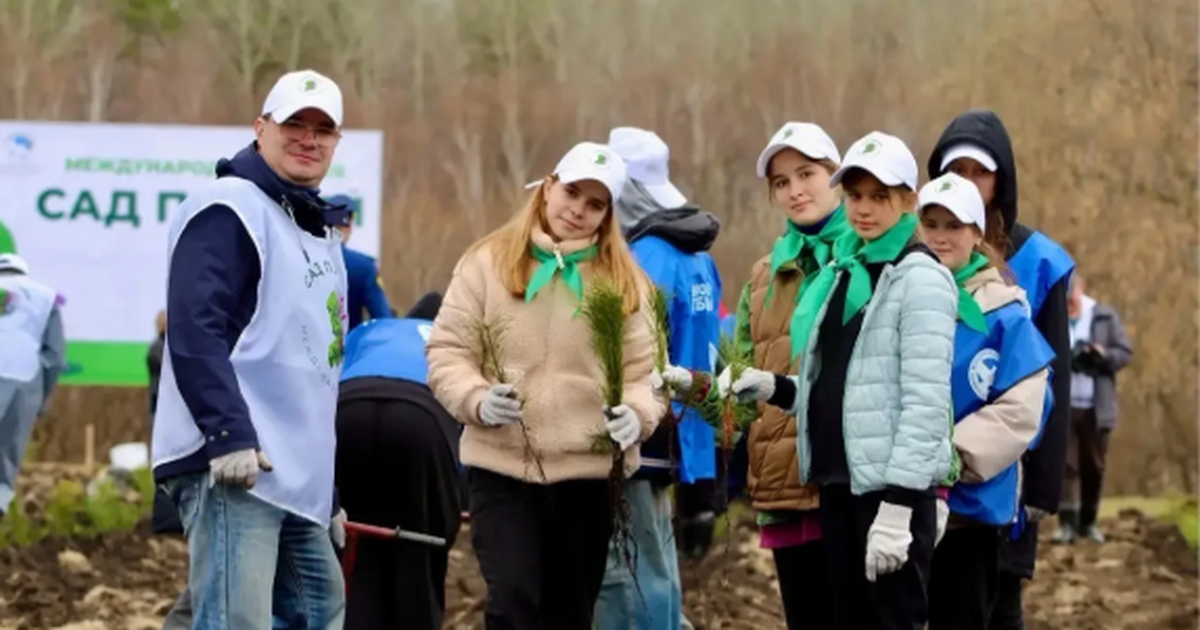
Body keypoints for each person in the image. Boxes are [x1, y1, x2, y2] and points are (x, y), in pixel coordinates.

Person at [425, 141, 663, 630]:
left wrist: (636, 416)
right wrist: (476, 399)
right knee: (512, 599)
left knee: (569, 612)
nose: (578, 210)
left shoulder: (627, 284)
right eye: (572, 193)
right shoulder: (486, 264)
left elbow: (648, 375)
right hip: (502, 469)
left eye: (595, 204)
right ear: (548, 186)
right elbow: (448, 353)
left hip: (588, 478)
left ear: (608, 215)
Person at [725, 131, 957, 629]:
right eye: (854, 196)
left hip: (886, 495)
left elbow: (925, 403)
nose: (863, 209)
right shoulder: (843, 271)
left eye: (880, 196)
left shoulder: (920, 277)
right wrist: (774, 388)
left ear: (909, 201)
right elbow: (840, 389)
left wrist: (898, 511)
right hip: (837, 486)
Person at [150, 69, 351, 629]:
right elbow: (195, 328)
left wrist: (325, 488)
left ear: (336, 142)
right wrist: (226, 434)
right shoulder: (230, 208)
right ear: (260, 129)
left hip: (294, 478)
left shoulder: (316, 232)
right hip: (234, 463)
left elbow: (312, 370)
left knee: (318, 610)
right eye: (294, 124)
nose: (308, 139)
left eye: (323, 130)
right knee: (235, 620)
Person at [668, 121, 851, 629]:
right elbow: (744, 389)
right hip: (785, 488)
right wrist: (697, 391)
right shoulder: (764, 275)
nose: (795, 190)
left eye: (807, 173)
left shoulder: (867, 259)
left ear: (835, 175)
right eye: (781, 182)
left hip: (852, 486)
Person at [926, 109, 1076, 630]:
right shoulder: (921, 257)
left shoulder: (1039, 260)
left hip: (1006, 467)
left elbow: (1052, 371)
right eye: (956, 170)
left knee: (1001, 601)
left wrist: (1042, 488)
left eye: (979, 172)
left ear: (1001, 180)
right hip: (929, 474)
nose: (968, 182)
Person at [592, 126, 721, 630]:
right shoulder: (698, 260)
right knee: (656, 569)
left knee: (625, 574)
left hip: (635, 433)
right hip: (678, 440)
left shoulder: (637, 262)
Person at [335, 291, 462, 630]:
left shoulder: (374, 328)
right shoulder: (457, 340)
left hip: (348, 411)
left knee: (354, 548)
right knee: (419, 552)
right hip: (422, 418)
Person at [1053, 272, 1133, 544]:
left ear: (1081, 291)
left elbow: (1124, 353)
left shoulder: (1104, 317)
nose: (1069, 307)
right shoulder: (1053, 316)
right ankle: (1067, 526)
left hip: (1097, 407)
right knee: (1066, 466)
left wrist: (1101, 355)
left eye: (1072, 301)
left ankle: (1089, 522)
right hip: (1064, 405)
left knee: (1094, 467)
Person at [0, 253, 65, 519]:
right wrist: (40, 400)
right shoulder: (45, 298)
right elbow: (55, 358)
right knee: (6, 454)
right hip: (23, 380)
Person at [327, 194, 392, 331]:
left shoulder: (302, 260)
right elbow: (383, 320)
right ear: (349, 225)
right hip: (349, 349)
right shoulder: (364, 267)